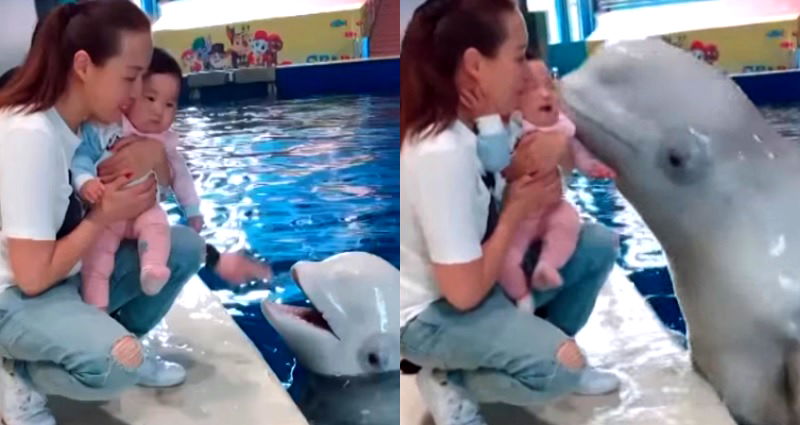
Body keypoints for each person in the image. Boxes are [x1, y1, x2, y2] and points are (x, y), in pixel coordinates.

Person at [399, 1, 620, 424]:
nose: (526, 72)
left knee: (594, 245)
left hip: (477, 289)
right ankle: (454, 379)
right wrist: (517, 210)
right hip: (429, 313)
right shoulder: (440, 150)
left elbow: (519, 162)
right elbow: (463, 292)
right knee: (563, 368)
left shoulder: (474, 127)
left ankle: (532, 345)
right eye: (519, 57)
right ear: (474, 66)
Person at [0, 2, 202, 424]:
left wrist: (152, 159)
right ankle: (16, 373)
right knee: (116, 366)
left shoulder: (85, 125)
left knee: (183, 247)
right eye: (129, 78)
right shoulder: (31, 135)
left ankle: (119, 337)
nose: (135, 95)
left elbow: (160, 175)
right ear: (83, 66)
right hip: (13, 295)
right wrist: (103, 216)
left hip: (63, 276)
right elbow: (32, 276)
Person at [468, 54, 616, 313]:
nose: (545, 94)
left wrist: (590, 164)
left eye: (550, 85)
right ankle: (522, 301)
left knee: (581, 230)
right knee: (508, 258)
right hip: (512, 227)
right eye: (530, 88)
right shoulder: (508, 127)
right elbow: (497, 162)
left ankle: (547, 274)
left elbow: (576, 153)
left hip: (548, 213)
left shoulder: (559, 125)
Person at [71, 47, 203, 310]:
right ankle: (95, 305)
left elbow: (181, 179)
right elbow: (82, 157)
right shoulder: (108, 126)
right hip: (106, 214)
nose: (158, 111)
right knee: (98, 254)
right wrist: (85, 181)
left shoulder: (165, 142)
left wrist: (193, 210)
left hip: (145, 210)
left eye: (169, 105)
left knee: (158, 229)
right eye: (150, 98)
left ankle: (152, 271)